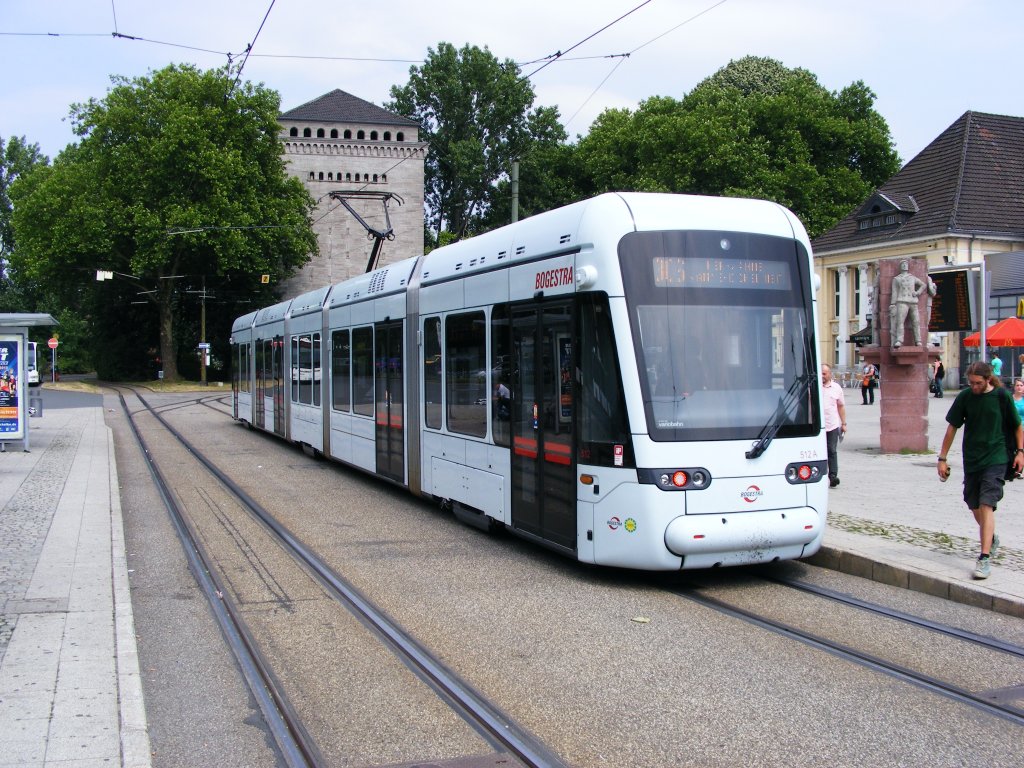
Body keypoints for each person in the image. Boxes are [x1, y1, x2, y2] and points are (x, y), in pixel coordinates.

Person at [936, 361, 1024, 579]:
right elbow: (952, 427)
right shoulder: (965, 397)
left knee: (986, 503)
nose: (974, 386)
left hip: (997, 456)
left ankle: (984, 557)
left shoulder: (1001, 396)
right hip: (972, 459)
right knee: (973, 504)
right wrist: (942, 458)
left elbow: (1017, 426)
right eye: (971, 383)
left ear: (988, 379)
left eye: (978, 383)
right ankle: (991, 537)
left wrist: (1021, 452)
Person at [889, 260, 927, 348]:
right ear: (900, 267)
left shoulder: (912, 277)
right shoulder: (896, 279)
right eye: (903, 264)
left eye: (906, 264)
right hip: (901, 301)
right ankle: (899, 340)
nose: (904, 265)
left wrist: (917, 292)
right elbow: (894, 292)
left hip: (913, 301)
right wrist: (893, 304)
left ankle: (918, 341)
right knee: (900, 322)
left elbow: (923, 285)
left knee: (916, 322)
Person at [820, 364, 847, 488]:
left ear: (830, 374)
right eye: (820, 373)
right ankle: (819, 475)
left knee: (831, 450)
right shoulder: (814, 386)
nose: (822, 376)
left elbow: (840, 406)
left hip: (832, 425)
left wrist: (844, 423)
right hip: (817, 426)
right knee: (819, 451)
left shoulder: (836, 388)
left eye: (824, 374)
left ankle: (833, 477)